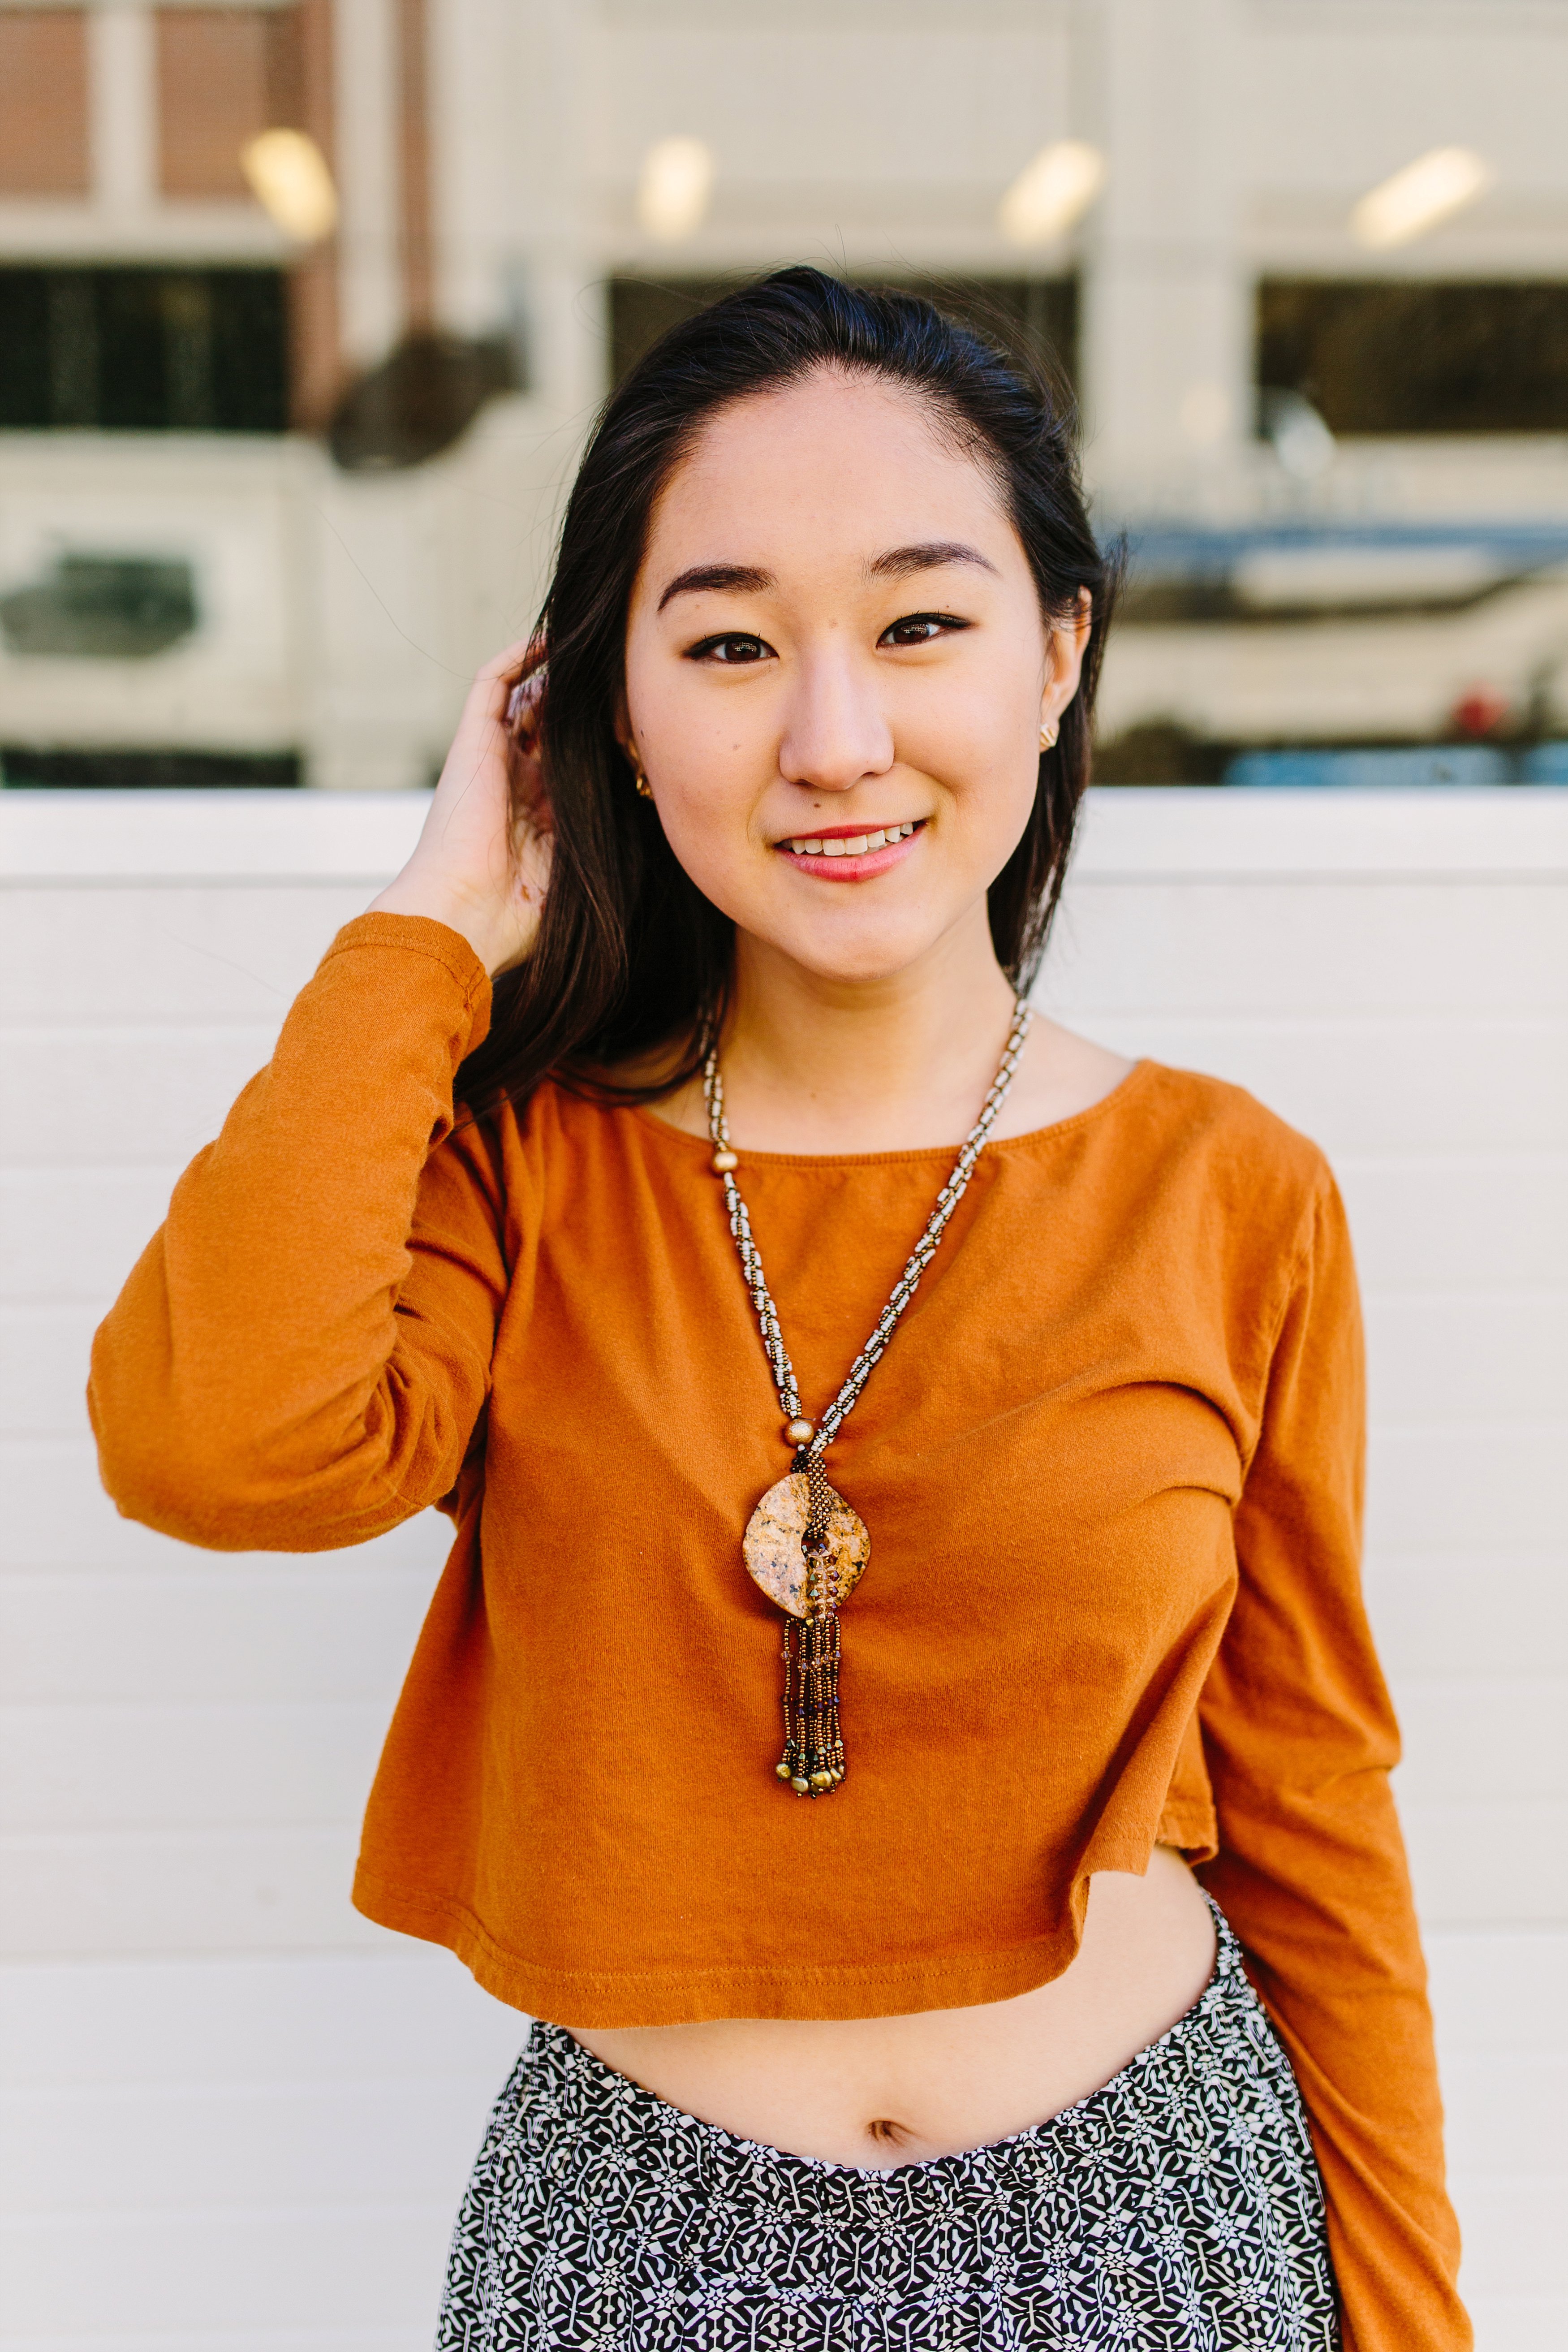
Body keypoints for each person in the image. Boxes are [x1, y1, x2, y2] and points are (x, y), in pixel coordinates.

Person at [89, 270, 1468, 2351]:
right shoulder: (520, 1166)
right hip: (636, 2246)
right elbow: (217, 1443)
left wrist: (1414, 2325)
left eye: (920, 624)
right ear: (608, 716)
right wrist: (431, 927)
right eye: (728, 643)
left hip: (1152, 2220)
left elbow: (1313, 1810)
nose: (834, 738)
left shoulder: (1226, 1189)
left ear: (1057, 657)